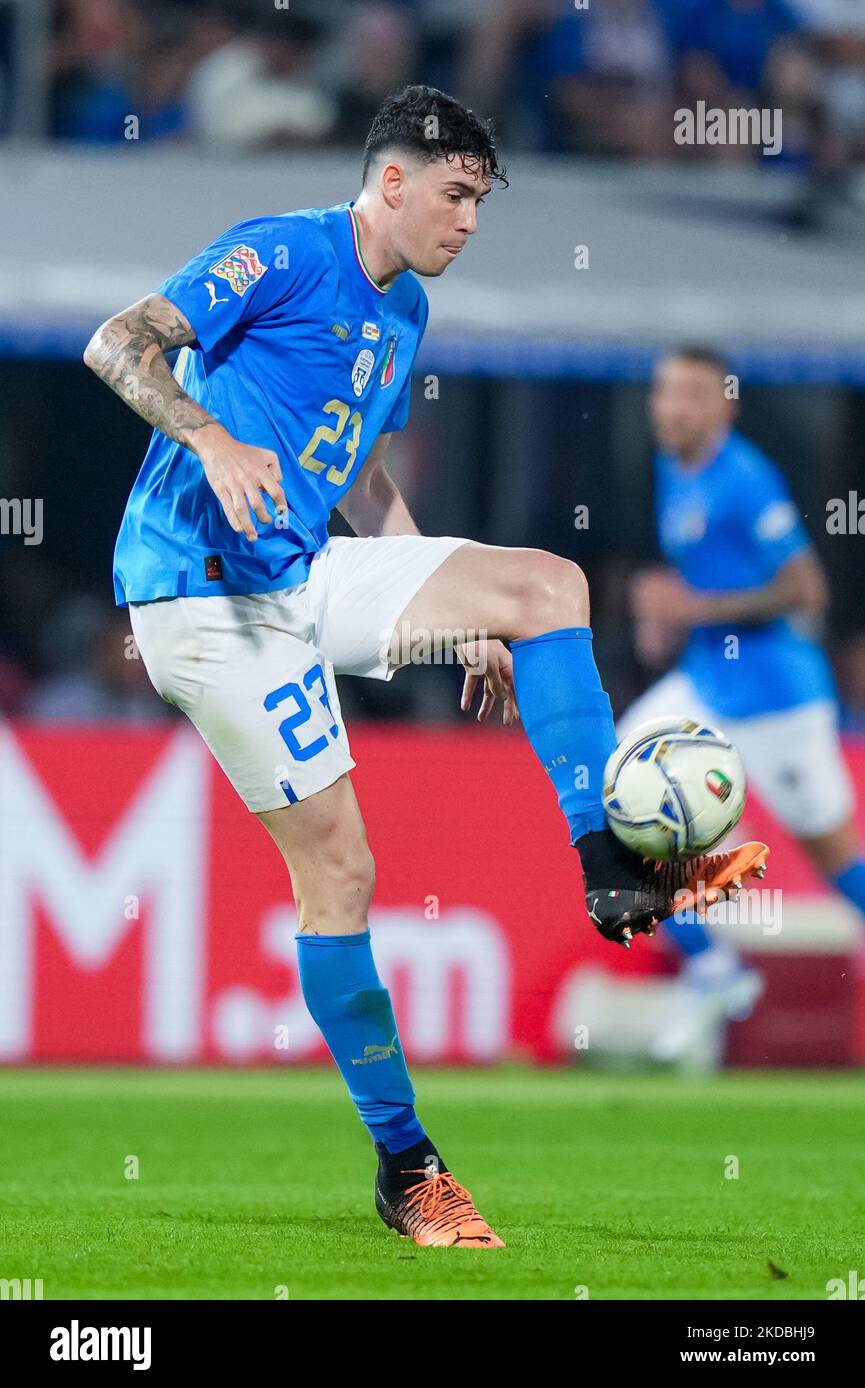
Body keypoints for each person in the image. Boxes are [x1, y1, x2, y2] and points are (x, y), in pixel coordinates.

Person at [84, 87, 760, 1248]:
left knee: (547, 588)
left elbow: (359, 475)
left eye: (481, 202)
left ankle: (616, 864)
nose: (469, 222)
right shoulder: (282, 252)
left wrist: (450, 617)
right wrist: (209, 434)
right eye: (455, 195)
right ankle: (409, 1168)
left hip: (301, 572)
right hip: (199, 600)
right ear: (391, 183)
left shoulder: (403, 320)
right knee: (342, 874)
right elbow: (118, 342)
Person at [622, 346, 865, 1061]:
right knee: (623, 791)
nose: (671, 407)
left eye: (690, 394)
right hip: (708, 685)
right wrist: (665, 612)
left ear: (723, 405)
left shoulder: (744, 479)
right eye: (663, 391)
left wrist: (691, 607)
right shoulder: (672, 467)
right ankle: (711, 965)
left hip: (776, 700)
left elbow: (805, 591)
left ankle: (712, 883)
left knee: (834, 855)